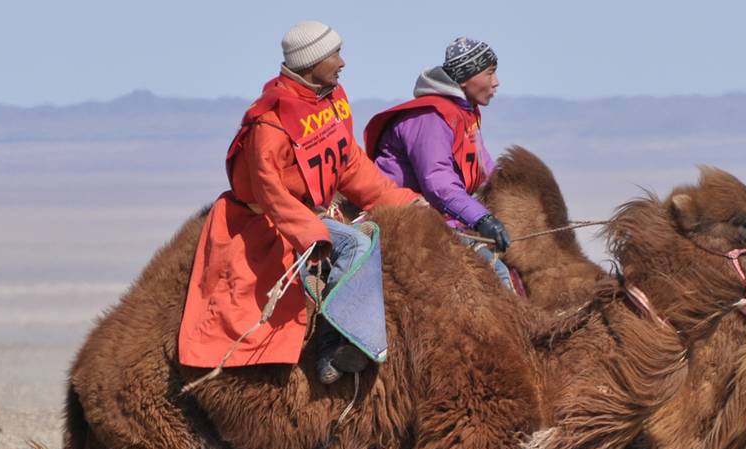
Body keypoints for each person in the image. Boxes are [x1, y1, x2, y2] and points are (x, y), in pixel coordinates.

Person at [179, 21, 420, 384]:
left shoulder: (332, 102)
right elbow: (270, 191)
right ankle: (333, 346)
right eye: (334, 54)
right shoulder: (270, 123)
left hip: (315, 211)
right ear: (311, 63)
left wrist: (405, 202)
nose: (343, 62)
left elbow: (350, 165)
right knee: (355, 244)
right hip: (275, 222)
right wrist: (311, 232)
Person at [365, 37, 519, 292]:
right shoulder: (430, 117)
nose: (496, 82)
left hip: (441, 218)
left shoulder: (464, 113)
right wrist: (482, 219)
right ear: (464, 79)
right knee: (497, 274)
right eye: (489, 73)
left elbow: (485, 170)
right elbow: (439, 184)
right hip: (406, 218)